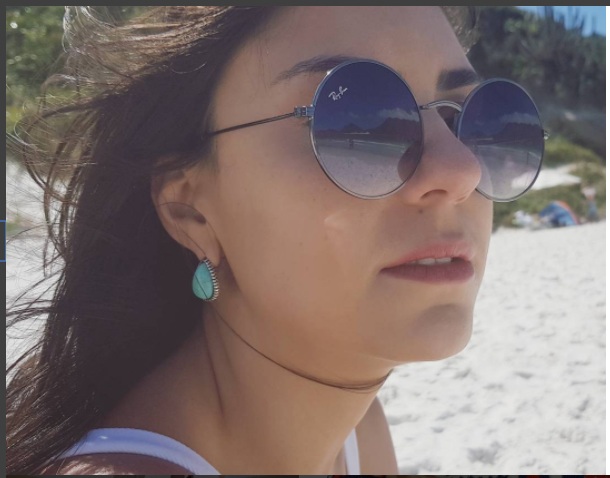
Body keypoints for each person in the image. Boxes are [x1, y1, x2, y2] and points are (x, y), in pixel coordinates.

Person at [6, 6, 546, 475]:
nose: (461, 170)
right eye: (358, 119)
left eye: (466, 119)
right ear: (191, 211)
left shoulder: (358, 436)